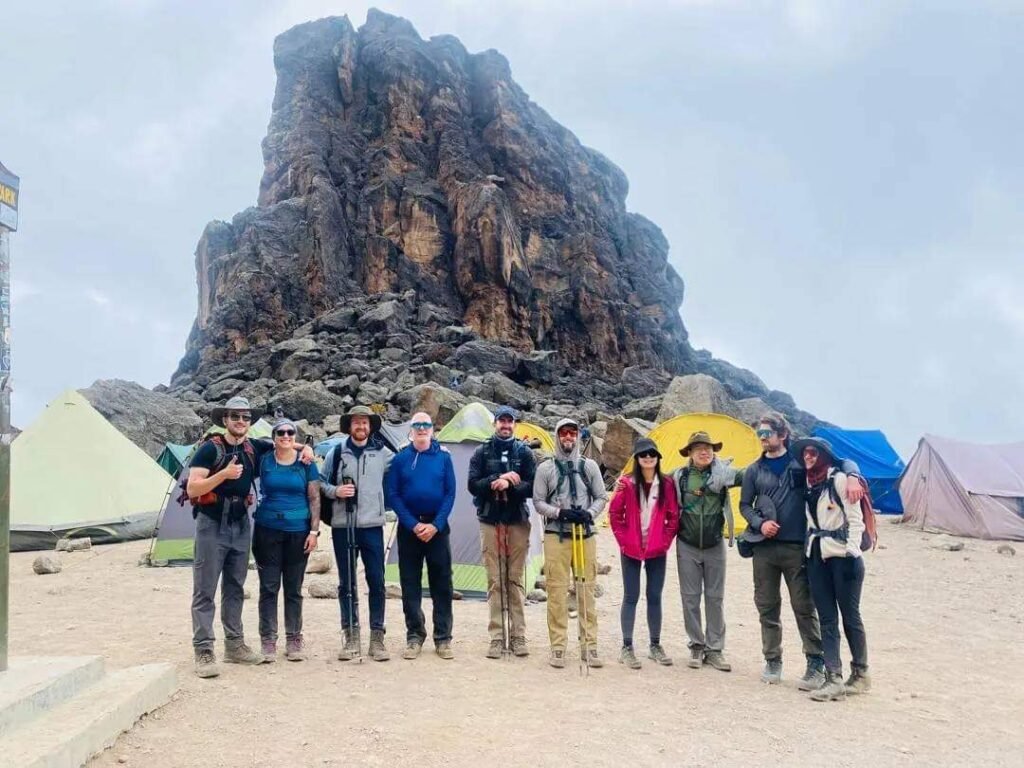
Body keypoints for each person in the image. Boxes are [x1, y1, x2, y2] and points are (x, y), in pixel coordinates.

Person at [186, 396, 313, 678]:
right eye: (235, 417)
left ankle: (234, 645)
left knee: (235, 586)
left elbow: (286, 445)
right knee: (205, 589)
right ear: (225, 420)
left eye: (245, 418)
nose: (241, 422)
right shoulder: (209, 449)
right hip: (211, 522)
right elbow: (194, 489)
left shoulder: (253, 447)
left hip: (241, 522)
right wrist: (225, 474)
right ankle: (204, 650)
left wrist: (307, 450)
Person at [739, 411, 865, 688]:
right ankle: (773, 660)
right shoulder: (753, 470)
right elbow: (745, 505)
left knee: (804, 607)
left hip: (798, 547)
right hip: (764, 549)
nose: (762, 438)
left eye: (767, 433)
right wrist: (759, 524)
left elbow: (840, 461)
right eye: (759, 434)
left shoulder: (801, 465)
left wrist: (853, 474)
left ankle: (815, 663)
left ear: (782, 435)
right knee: (767, 605)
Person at [791, 436, 870, 701]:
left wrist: (851, 552)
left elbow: (855, 519)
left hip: (843, 557)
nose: (808, 457)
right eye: (805, 453)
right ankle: (833, 676)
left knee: (850, 616)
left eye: (813, 452)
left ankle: (860, 674)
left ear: (824, 455)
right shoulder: (808, 482)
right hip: (816, 555)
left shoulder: (839, 479)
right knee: (826, 618)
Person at [320, 405, 394, 662]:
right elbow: (320, 482)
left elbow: (402, 470)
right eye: (356, 423)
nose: (361, 427)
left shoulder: (383, 453)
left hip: (373, 525)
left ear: (370, 426)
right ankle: (350, 635)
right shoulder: (336, 452)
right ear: (349, 426)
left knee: (377, 580)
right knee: (347, 582)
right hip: (343, 526)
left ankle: (376, 637)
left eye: (365, 423)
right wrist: (335, 492)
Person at [533, 417, 608, 669]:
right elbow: (538, 502)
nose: (568, 437)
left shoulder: (589, 467)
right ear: (557, 436)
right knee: (556, 590)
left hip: (584, 533)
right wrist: (558, 513)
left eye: (572, 433)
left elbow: (600, 497)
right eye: (563, 433)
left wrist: (589, 513)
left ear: (578, 437)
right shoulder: (545, 468)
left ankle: (590, 645)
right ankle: (558, 646)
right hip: (557, 534)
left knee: (586, 589)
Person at [386, 412, 458, 660]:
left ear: (432, 429)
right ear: (411, 429)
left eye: (425, 425)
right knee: (410, 584)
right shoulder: (401, 458)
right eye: (417, 425)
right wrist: (412, 524)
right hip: (410, 529)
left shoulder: (444, 458)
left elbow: (450, 493)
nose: (421, 429)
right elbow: (393, 494)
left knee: (442, 584)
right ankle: (415, 635)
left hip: (437, 529)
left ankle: (443, 638)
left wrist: (436, 525)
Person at [468, 405, 537, 659]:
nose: (505, 425)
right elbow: (473, 485)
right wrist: (497, 478)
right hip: (489, 521)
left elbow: (533, 487)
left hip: (517, 521)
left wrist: (511, 483)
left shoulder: (525, 453)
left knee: (515, 579)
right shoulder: (481, 451)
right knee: (495, 580)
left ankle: (518, 636)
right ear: (494, 424)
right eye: (501, 421)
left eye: (510, 421)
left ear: (515, 425)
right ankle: (497, 637)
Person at [251, 418, 321, 662]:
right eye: (280, 432)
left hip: (298, 531)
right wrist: (304, 446)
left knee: (293, 588)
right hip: (267, 530)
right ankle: (268, 639)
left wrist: (314, 532)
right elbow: (253, 442)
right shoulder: (265, 460)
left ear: (295, 435)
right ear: (274, 436)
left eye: (291, 432)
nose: (286, 436)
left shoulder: (306, 463)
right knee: (268, 587)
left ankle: (294, 638)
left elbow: (314, 498)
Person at [608, 437, 679, 669]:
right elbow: (615, 514)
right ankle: (626, 647)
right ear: (637, 459)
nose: (648, 458)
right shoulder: (627, 484)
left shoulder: (667, 484)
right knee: (631, 596)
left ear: (658, 458)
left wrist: (664, 541)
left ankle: (655, 645)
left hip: (656, 550)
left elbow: (673, 517)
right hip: (631, 549)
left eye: (652, 454)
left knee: (654, 596)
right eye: (642, 455)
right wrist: (624, 540)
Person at [673, 431, 741, 672]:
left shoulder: (722, 474)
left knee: (715, 598)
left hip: (714, 544)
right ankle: (696, 645)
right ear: (689, 452)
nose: (705, 451)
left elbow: (751, 476)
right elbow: (652, 484)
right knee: (690, 598)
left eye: (709, 447)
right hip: (687, 544)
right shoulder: (679, 476)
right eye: (699, 447)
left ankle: (715, 650)